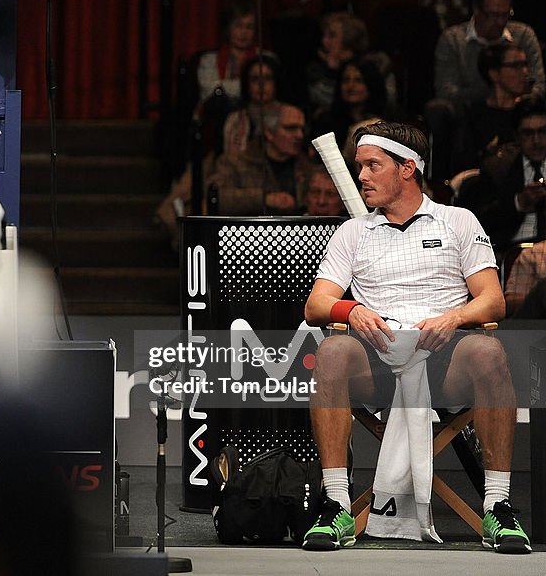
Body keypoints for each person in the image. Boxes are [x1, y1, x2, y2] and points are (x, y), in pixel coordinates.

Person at [301, 121, 529, 554]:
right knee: (331, 352)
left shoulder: (458, 221)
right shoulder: (353, 232)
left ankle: (498, 506)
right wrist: (352, 309)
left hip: (443, 361)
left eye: (372, 166)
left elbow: (493, 300)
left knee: (488, 350)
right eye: (359, 167)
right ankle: (336, 503)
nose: (361, 177)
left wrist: (454, 317)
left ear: (407, 168)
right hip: (379, 362)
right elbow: (316, 304)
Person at [426, 0, 544, 179]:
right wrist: (495, 93)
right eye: (492, 15)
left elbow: (539, 84)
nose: (499, 22)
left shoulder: (523, 35)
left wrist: (516, 96)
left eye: (505, 14)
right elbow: (446, 90)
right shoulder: (453, 40)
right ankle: (443, 182)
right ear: (476, 10)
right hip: (470, 109)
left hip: (519, 106)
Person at [206, 103, 319, 216]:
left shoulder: (308, 167)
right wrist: (264, 198)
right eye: (290, 128)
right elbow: (217, 199)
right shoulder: (236, 162)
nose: (299, 135)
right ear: (269, 132)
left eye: (302, 129)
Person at [476, 95, 546, 248]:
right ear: (517, 136)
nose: (536, 141)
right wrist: (519, 202)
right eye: (528, 133)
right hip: (512, 251)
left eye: (542, 132)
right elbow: (480, 219)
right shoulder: (497, 168)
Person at [464, 41, 531, 170]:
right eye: (516, 66)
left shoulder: (529, 111)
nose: (525, 72)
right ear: (494, 74)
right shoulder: (475, 114)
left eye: (525, 65)